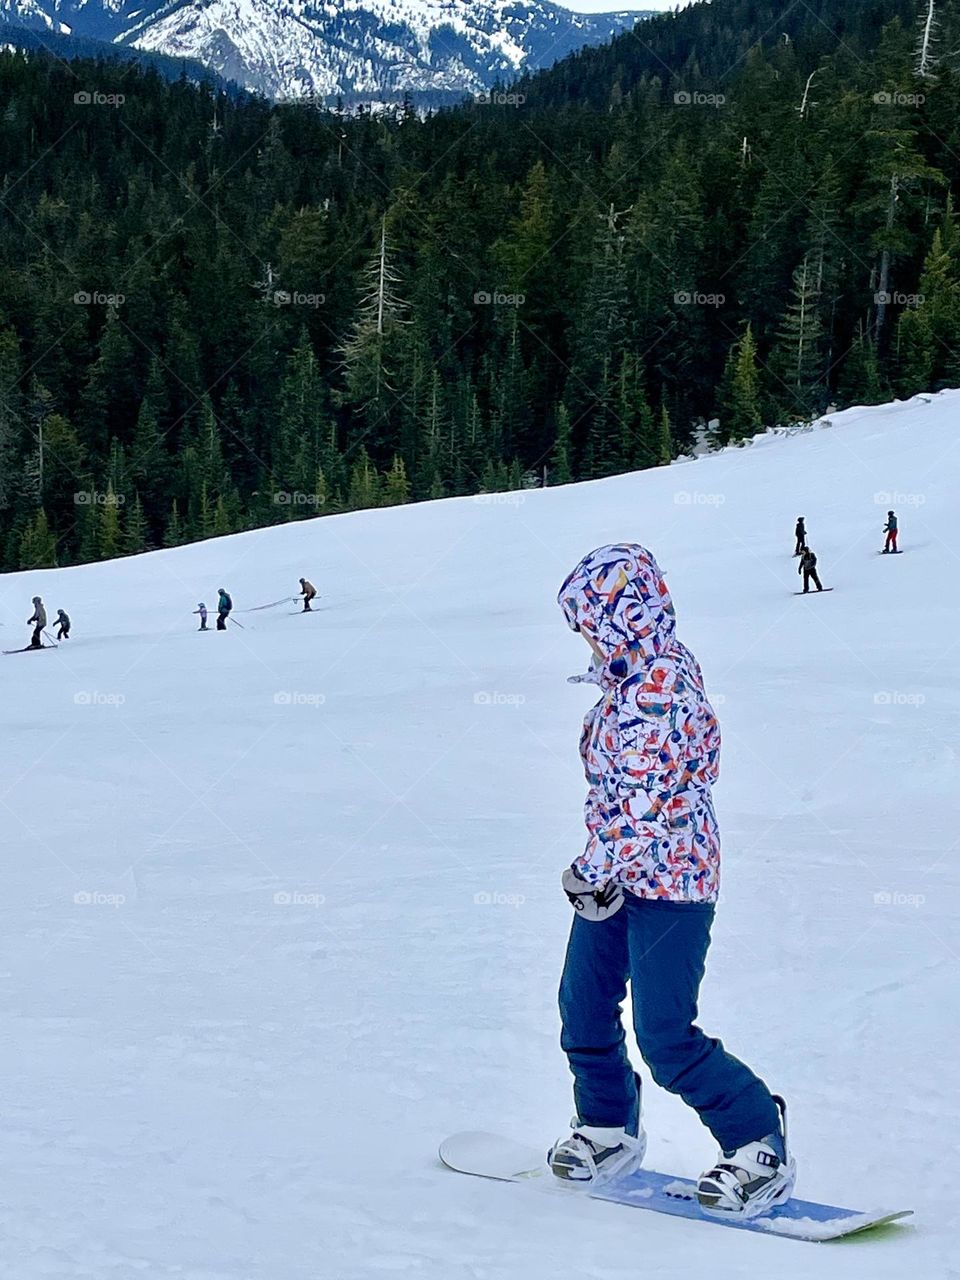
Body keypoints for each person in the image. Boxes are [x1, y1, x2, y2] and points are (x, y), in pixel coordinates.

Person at [549, 544, 794, 1219]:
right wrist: (600, 869)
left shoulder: (658, 687)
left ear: (620, 616)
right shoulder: (628, 674)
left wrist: (587, 872)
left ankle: (756, 1140)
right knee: (584, 1007)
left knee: (664, 1033)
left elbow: (645, 805)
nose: (582, 637)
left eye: (588, 621)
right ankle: (606, 1126)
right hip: (618, 874)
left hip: (673, 881)